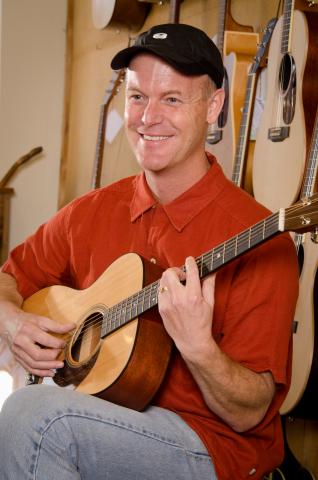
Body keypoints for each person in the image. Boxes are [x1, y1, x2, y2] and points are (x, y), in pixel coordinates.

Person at [0, 23, 299, 480]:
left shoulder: (261, 239)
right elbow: (8, 279)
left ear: (213, 107)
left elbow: (247, 414)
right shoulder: (91, 211)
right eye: (137, 96)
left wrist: (198, 347)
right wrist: (14, 320)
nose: (147, 117)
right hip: (96, 413)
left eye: (172, 99)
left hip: (212, 446)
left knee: (38, 419)